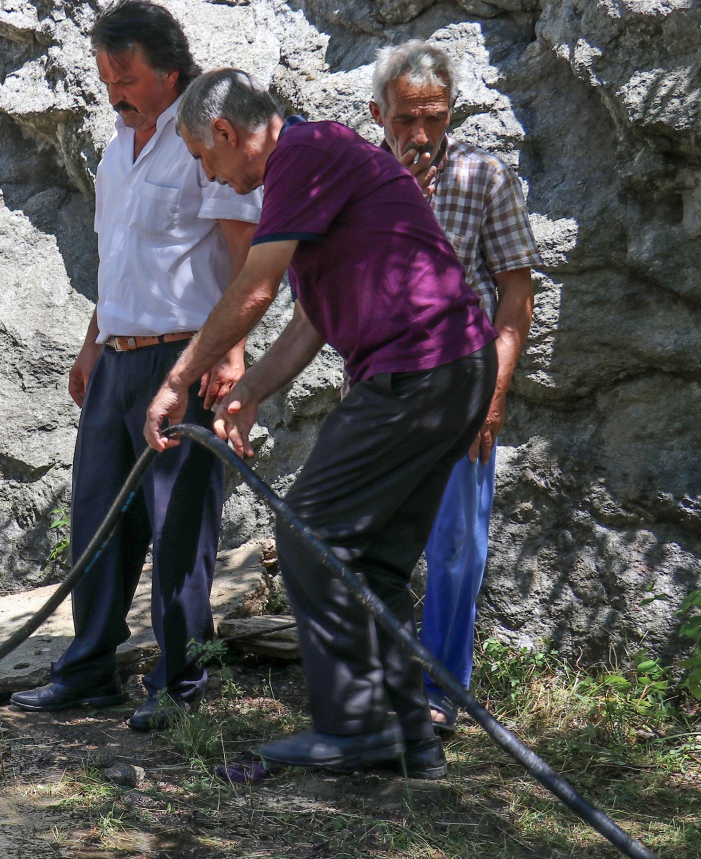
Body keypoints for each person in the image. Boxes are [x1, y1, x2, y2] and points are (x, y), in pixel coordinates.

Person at [143, 68, 497, 777]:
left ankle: (352, 728)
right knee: (375, 563)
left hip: (418, 369)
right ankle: (407, 739)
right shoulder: (320, 170)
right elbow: (309, 319)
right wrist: (250, 393)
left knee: (309, 536)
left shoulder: (304, 152)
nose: (205, 172)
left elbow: (256, 288)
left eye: (200, 156)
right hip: (457, 368)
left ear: (224, 132)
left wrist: (179, 380)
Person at [10, 0, 262, 732]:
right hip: (119, 358)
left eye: (126, 77)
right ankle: (88, 669)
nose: (112, 91)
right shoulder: (116, 149)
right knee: (97, 517)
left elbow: (246, 254)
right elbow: (118, 260)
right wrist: (94, 340)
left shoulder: (203, 138)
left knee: (178, 525)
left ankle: (180, 682)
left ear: (169, 72)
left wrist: (232, 356)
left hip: (184, 358)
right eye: (105, 76)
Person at [368, 42, 539, 734]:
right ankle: (385, 686)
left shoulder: (483, 176)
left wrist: (494, 395)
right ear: (378, 113)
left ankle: (443, 691)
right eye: (406, 118)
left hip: (462, 383)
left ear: (451, 113)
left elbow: (517, 293)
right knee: (375, 540)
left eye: (433, 118)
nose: (420, 134)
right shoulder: (362, 178)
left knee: (458, 548)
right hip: (382, 384)